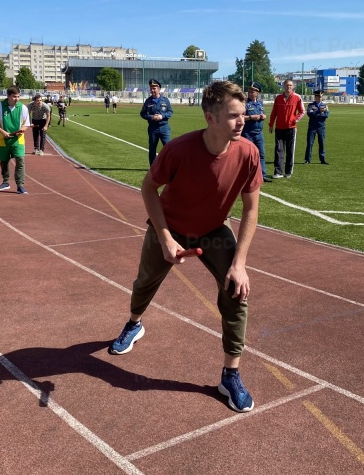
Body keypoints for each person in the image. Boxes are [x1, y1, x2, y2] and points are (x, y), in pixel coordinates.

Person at [109, 80, 262, 413]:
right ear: (210, 117)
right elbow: (149, 188)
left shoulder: (248, 152)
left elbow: (251, 209)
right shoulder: (178, 149)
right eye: (235, 116)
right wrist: (165, 238)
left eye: (244, 115)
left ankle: (229, 374)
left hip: (214, 231)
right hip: (171, 227)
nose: (243, 121)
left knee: (237, 293)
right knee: (144, 283)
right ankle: (134, 323)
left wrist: (240, 263)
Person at [0, 86, 31, 194]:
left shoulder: (23, 108)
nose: (17, 99)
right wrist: (3, 132)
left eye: (18, 96)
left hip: (18, 140)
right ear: (8, 96)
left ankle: (20, 185)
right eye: (14, 97)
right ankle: (5, 181)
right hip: (2, 140)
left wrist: (22, 130)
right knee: (4, 161)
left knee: (20, 160)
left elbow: (26, 124)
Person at [268, 79, 304, 179]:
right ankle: (278, 171)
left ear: (293, 87)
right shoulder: (278, 98)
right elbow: (274, 112)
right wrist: (271, 124)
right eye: (287, 85)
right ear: (283, 86)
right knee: (278, 150)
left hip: (291, 128)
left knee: (290, 150)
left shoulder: (297, 98)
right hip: (279, 128)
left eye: (290, 85)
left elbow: (302, 111)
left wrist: (295, 120)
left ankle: (288, 171)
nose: (288, 87)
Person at [241, 81, 270, 183]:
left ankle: (262, 175)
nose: (250, 92)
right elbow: (240, 117)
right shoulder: (245, 104)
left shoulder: (260, 103)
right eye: (249, 90)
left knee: (261, 155)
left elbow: (264, 114)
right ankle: (247, 176)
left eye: (252, 91)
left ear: (257, 93)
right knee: (248, 156)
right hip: (247, 133)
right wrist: (251, 117)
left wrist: (263, 116)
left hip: (259, 133)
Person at [140, 79, 173, 165]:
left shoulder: (165, 100)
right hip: (153, 128)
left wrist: (162, 116)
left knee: (169, 148)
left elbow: (170, 112)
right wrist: (151, 117)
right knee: (152, 149)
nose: (152, 90)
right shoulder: (148, 101)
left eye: (154, 88)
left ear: (159, 89)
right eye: (151, 88)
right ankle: (153, 168)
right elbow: (142, 113)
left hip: (164, 128)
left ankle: (169, 167)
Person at [304, 90, 330, 165]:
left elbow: (326, 115)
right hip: (312, 127)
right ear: (315, 97)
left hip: (321, 127)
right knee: (310, 143)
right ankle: (307, 159)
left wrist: (316, 114)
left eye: (321, 97)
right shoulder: (311, 105)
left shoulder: (325, 105)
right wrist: (319, 111)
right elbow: (309, 114)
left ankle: (322, 159)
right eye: (318, 96)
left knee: (322, 143)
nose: (320, 98)